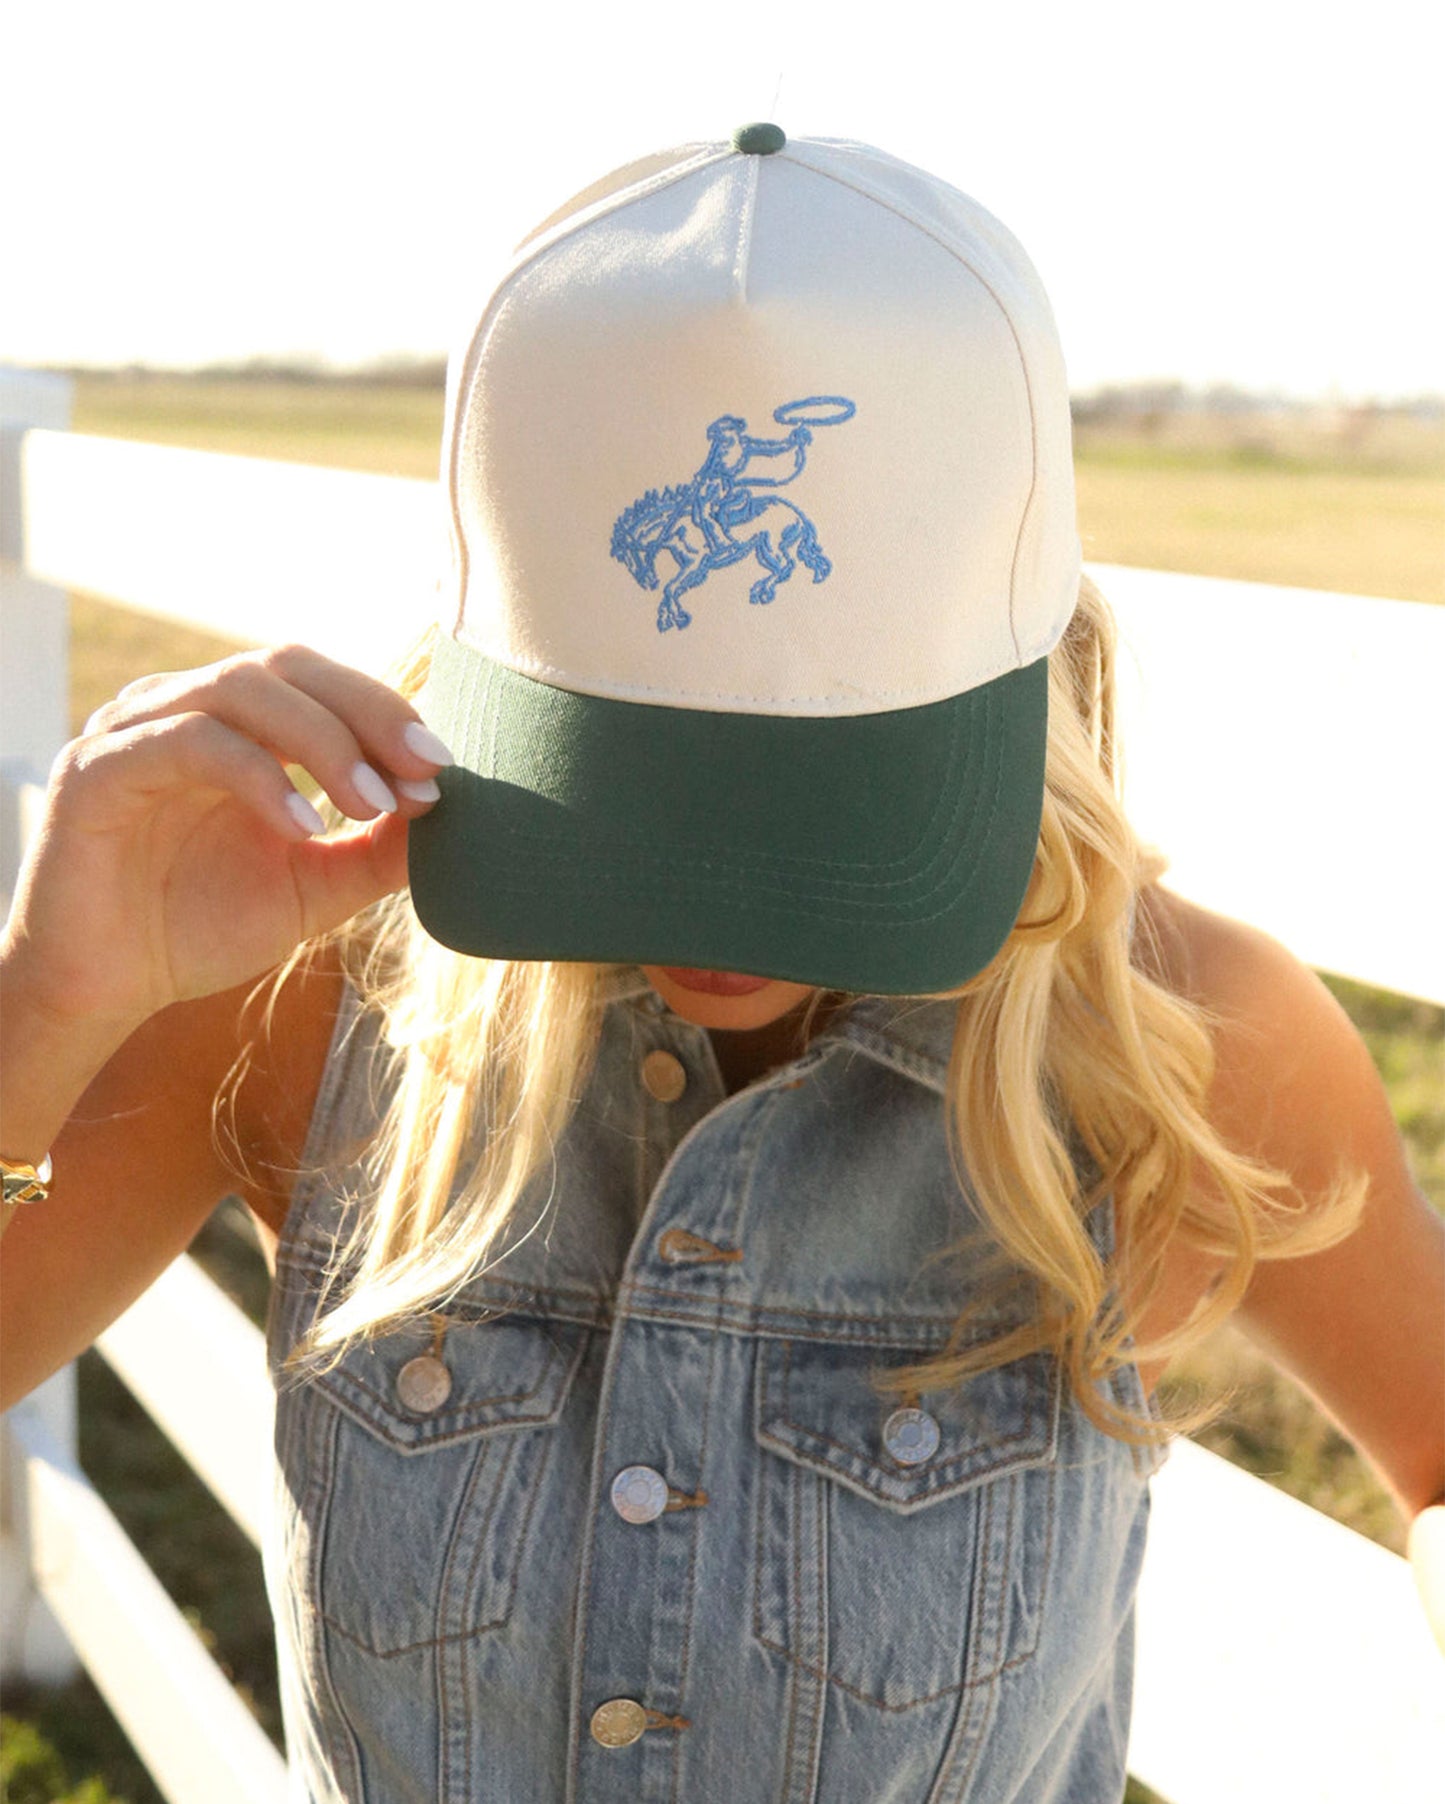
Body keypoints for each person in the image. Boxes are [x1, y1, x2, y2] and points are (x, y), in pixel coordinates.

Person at [1, 124, 1440, 1803]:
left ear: (1024, 672)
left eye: (819, 812)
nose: (713, 913)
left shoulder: (1175, 1045)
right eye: (632, 797)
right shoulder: (315, 1009)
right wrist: (51, 1000)